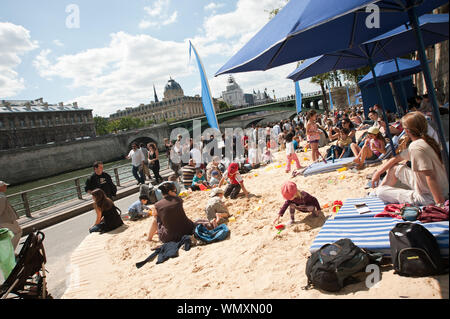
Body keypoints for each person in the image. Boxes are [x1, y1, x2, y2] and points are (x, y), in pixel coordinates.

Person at [372, 112, 448, 206]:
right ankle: (378, 191)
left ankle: (377, 192)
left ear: (407, 131)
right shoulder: (428, 141)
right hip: (441, 188)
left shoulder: (416, 146)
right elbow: (396, 159)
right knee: (396, 168)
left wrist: (440, 205)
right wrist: (378, 172)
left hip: (429, 197)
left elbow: (430, 176)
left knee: (380, 192)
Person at [0, 181, 22, 250]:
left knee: (6, 236)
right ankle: (11, 251)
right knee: (18, 232)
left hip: (3, 221)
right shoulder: (1, 197)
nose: (6, 187)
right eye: (4, 186)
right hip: (7, 220)